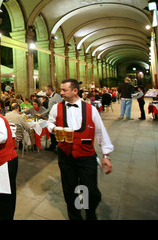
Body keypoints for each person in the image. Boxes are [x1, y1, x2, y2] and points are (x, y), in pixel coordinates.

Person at [46, 78, 113, 220]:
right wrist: (53, 128)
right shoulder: (56, 108)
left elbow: (100, 132)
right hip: (66, 155)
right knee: (70, 189)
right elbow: (49, 123)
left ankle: (90, 213)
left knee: (90, 190)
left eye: (64, 90)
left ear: (75, 91)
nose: (61, 93)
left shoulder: (91, 109)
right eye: (61, 90)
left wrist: (106, 155)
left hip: (86, 155)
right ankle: (75, 216)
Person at [41, 85, 63, 152]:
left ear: (49, 90)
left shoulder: (57, 97)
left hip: (57, 118)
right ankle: (53, 146)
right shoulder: (50, 98)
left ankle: (57, 146)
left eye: (46, 90)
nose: (45, 92)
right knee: (52, 133)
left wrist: (42, 114)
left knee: (56, 133)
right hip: (51, 117)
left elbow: (60, 107)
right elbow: (49, 109)